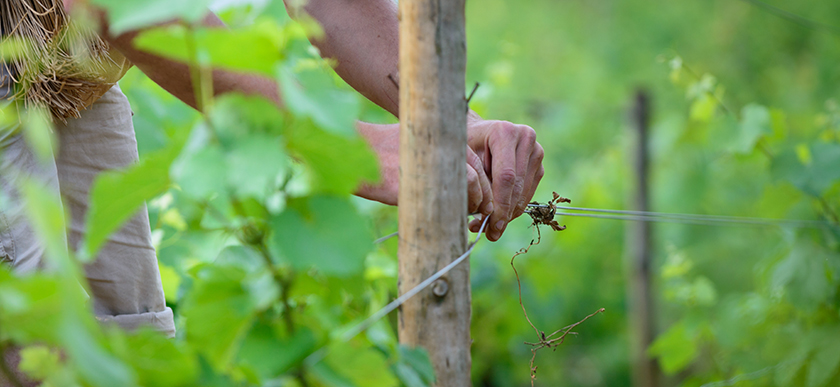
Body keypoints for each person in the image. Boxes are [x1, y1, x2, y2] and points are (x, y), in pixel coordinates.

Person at [1, 0, 544, 342]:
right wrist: (350, 149)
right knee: (34, 346)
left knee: (126, 347)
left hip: (67, 70)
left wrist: (446, 123)